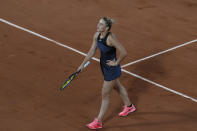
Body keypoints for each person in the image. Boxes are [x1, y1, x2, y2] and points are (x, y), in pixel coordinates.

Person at [77, 17, 136, 130]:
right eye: (98, 23)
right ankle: (129, 107)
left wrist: (116, 63)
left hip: (111, 70)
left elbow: (124, 52)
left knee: (105, 95)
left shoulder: (110, 39)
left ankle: (98, 121)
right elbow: (92, 51)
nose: (98, 25)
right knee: (118, 87)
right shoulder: (96, 35)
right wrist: (82, 65)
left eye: (101, 24)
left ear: (107, 28)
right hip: (104, 67)